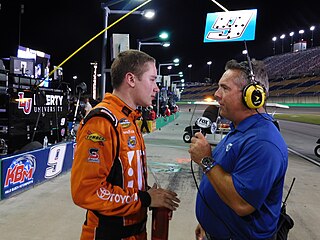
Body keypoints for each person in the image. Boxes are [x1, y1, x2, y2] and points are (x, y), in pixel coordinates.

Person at [71, 49, 180, 240]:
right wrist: (145, 199)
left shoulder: (129, 118)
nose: (157, 88)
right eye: (152, 79)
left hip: (135, 233)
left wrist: (147, 192)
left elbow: (122, 178)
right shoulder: (102, 121)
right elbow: (86, 191)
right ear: (131, 79)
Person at [189, 59, 288, 240]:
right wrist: (208, 221)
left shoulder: (262, 142)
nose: (217, 94)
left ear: (253, 96)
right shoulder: (241, 129)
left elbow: (242, 203)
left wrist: (205, 160)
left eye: (225, 88)